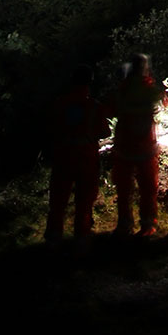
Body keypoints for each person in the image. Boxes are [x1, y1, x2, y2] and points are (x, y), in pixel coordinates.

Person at [44, 64, 111, 249]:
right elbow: (105, 132)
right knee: (84, 201)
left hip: (63, 157)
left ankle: (53, 239)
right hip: (86, 159)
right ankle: (81, 239)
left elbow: (51, 128)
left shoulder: (60, 104)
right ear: (89, 84)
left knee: (58, 200)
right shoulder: (94, 106)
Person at [107, 51, 164, 238]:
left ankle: (124, 224)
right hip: (146, 144)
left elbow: (113, 108)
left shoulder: (122, 89)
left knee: (124, 189)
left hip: (124, 144)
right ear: (145, 68)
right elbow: (161, 100)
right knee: (148, 188)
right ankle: (148, 224)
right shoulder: (150, 89)